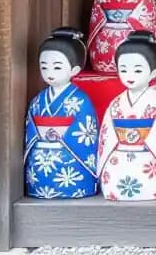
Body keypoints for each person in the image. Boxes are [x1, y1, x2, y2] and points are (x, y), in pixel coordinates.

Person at [97, 31, 156, 201]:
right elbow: (107, 136)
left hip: (149, 158)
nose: (130, 76)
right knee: (115, 180)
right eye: (124, 69)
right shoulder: (116, 103)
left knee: (150, 179)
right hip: (119, 156)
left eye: (138, 70)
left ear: (154, 72)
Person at [25, 27, 99, 199]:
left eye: (57, 68)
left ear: (75, 69)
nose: (50, 73)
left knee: (70, 176)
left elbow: (86, 134)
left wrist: (59, 139)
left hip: (70, 155)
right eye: (44, 67)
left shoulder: (81, 101)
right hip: (41, 153)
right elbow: (31, 129)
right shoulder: (38, 100)